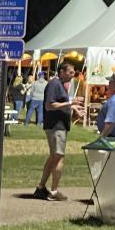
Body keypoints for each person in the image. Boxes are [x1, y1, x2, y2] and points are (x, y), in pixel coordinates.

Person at [33, 60, 81, 200]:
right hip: (56, 127)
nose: (73, 75)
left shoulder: (60, 85)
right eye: (70, 72)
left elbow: (59, 104)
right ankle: (53, 192)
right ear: (62, 72)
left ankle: (41, 188)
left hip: (58, 126)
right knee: (59, 157)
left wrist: (73, 108)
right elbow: (49, 105)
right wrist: (70, 103)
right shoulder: (54, 84)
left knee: (54, 157)